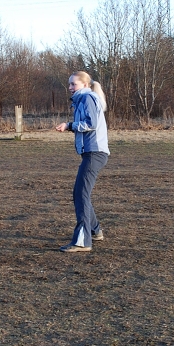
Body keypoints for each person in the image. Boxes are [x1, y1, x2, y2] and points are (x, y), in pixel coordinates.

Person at [55, 70, 109, 253]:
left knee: (81, 194)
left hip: (95, 153)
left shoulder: (87, 98)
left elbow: (91, 123)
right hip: (92, 153)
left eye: (74, 84)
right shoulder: (84, 99)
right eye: (69, 84)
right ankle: (95, 230)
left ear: (85, 85)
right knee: (81, 193)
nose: (70, 87)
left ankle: (82, 241)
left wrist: (69, 126)